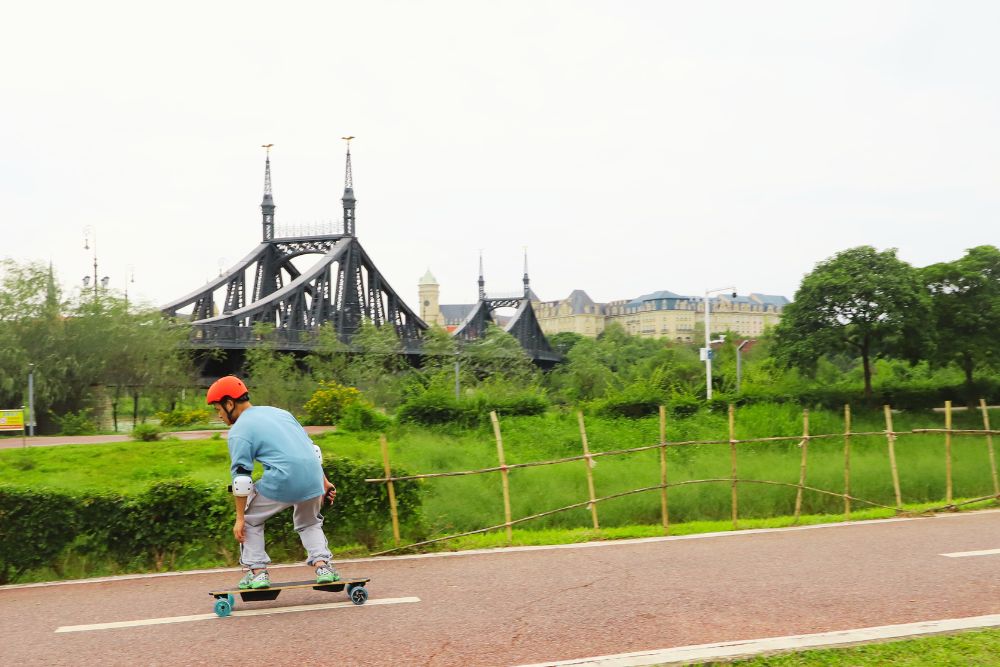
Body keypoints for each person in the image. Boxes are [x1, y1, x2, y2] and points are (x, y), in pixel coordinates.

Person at [207, 375, 339, 590]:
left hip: (284, 480)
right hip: (314, 477)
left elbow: (241, 480)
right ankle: (323, 567)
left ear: (229, 403)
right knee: (309, 522)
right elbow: (312, 450)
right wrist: (324, 482)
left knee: (251, 520)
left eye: (218, 409)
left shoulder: (239, 431)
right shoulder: (281, 413)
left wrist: (240, 518)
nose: (219, 415)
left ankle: (257, 572)